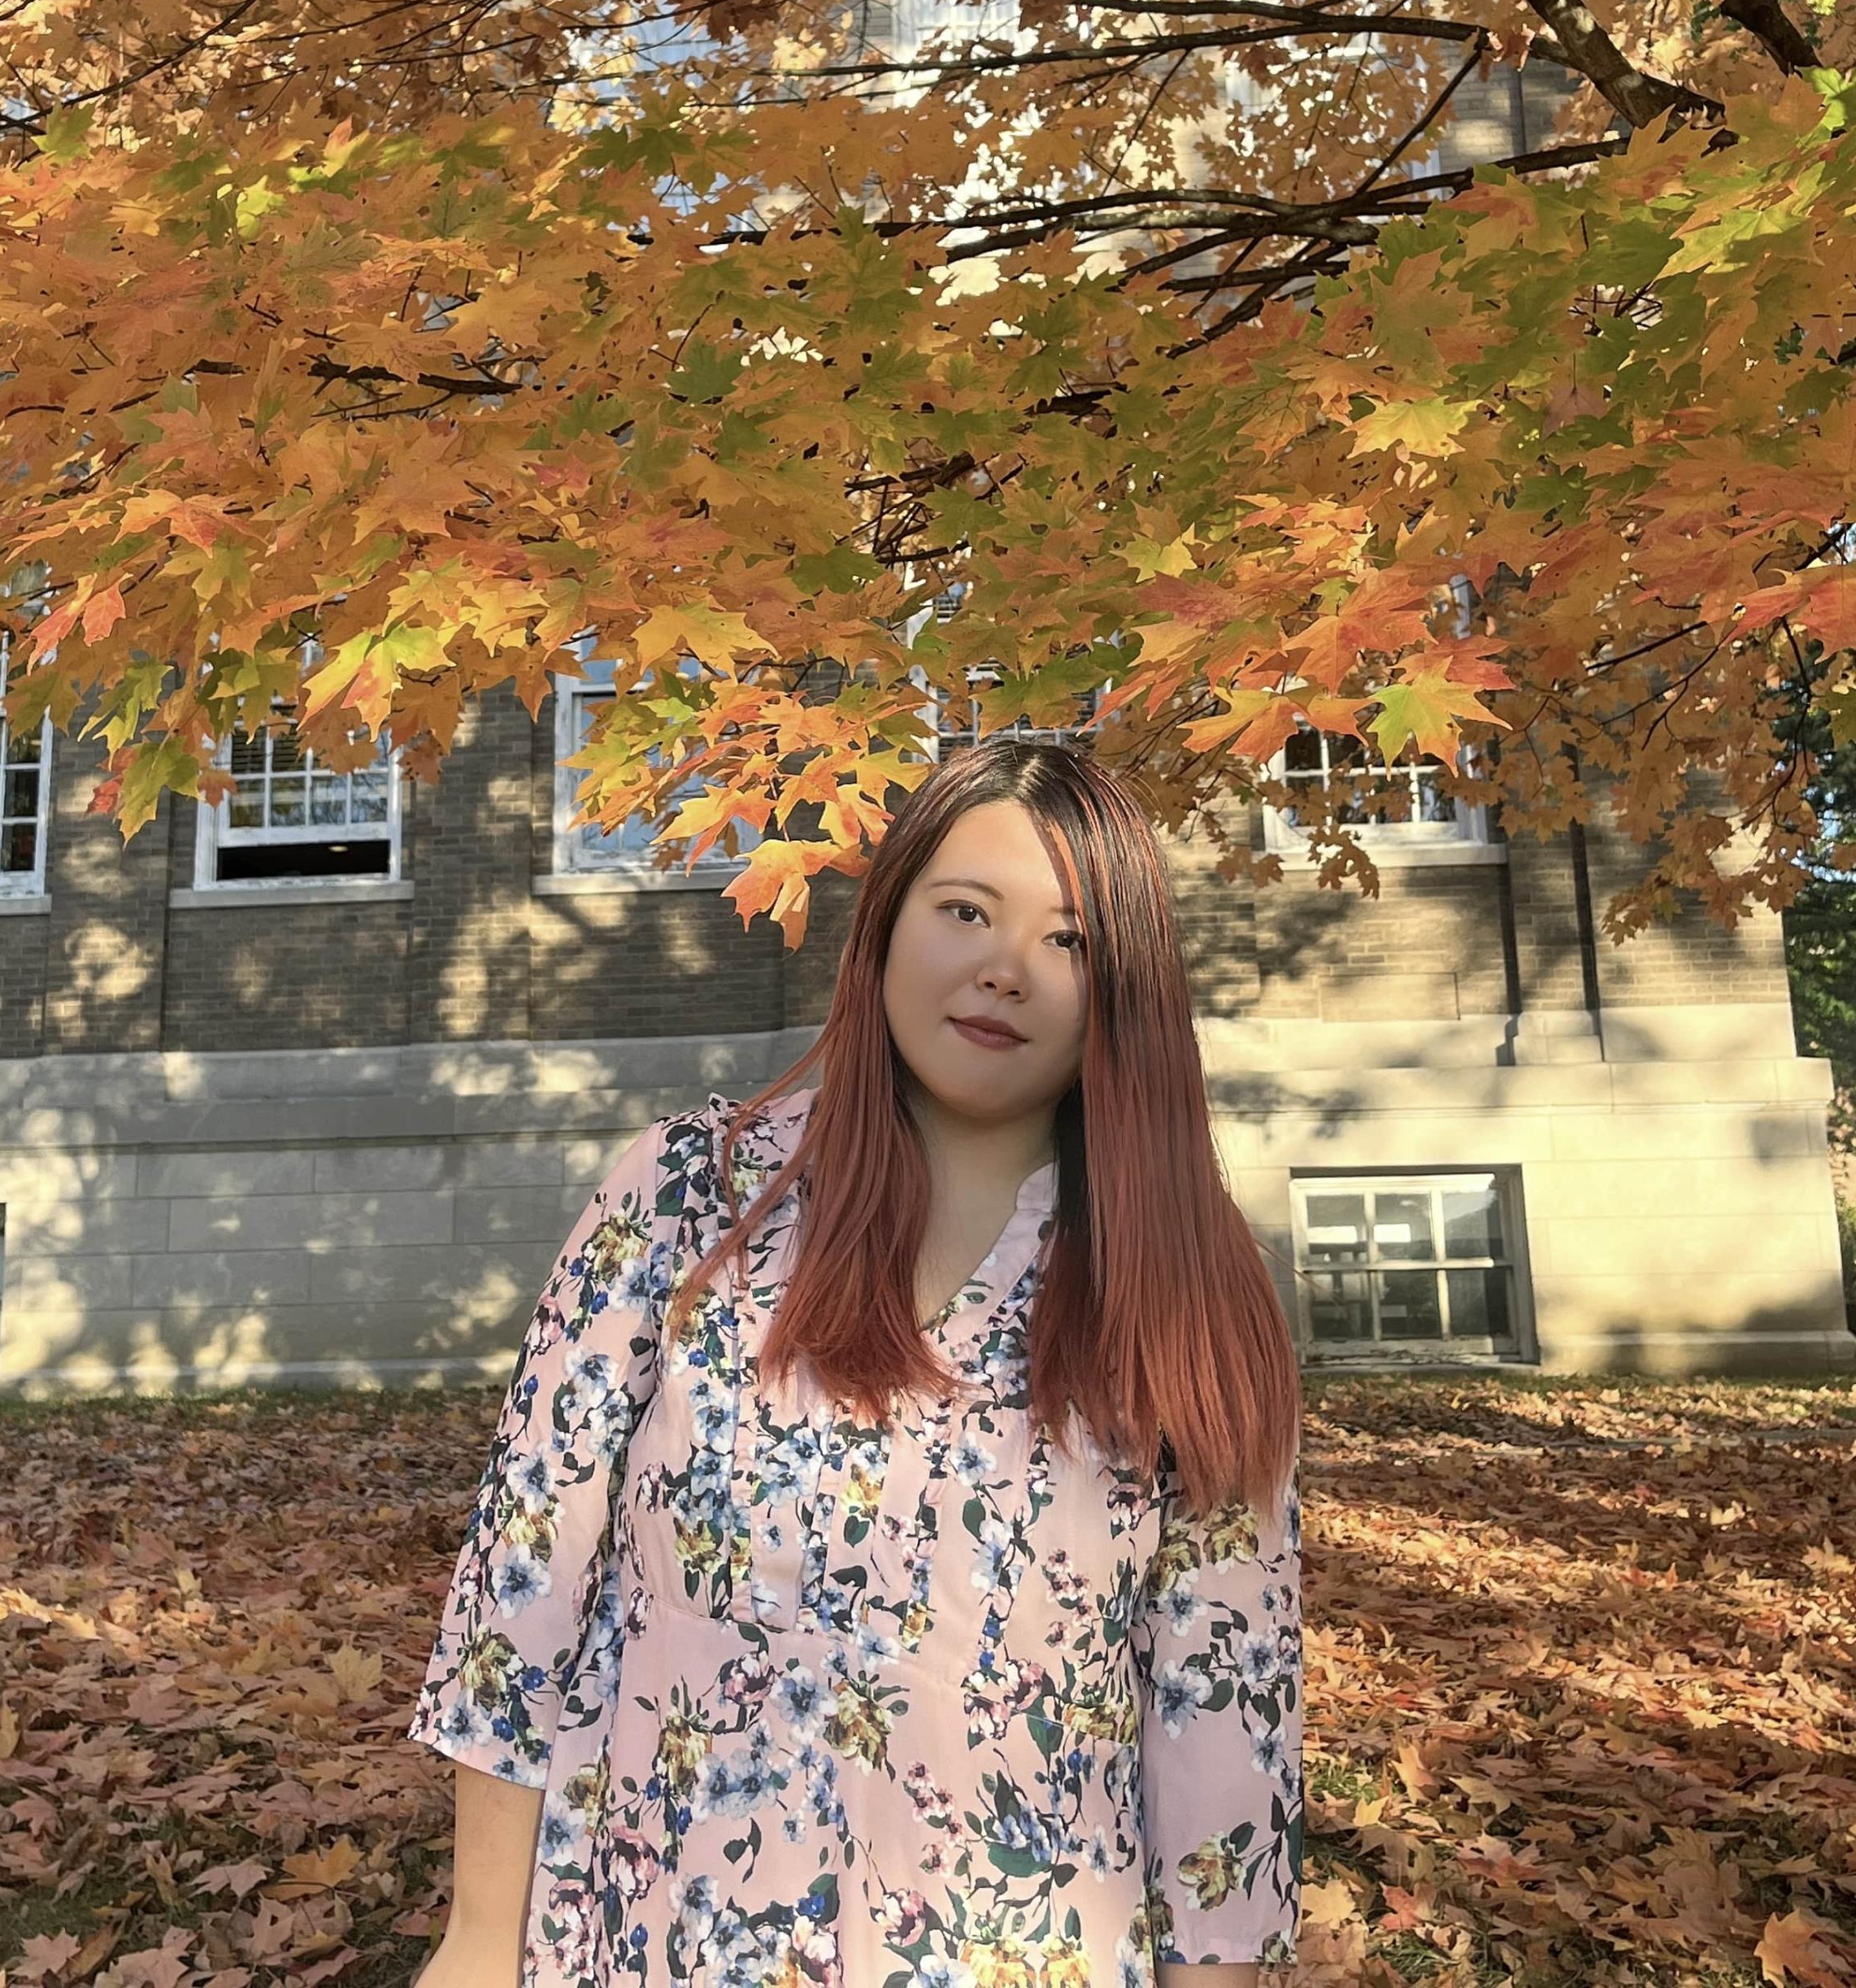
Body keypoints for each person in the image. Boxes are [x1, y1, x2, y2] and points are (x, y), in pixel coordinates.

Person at [405, 736, 1306, 1988]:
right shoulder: (687, 1200)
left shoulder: (1187, 1290)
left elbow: (1226, 1710)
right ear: (884, 929)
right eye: (966, 912)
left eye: (1070, 942)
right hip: (655, 1940)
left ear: (1123, 990)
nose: (1005, 969)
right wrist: (475, 1941)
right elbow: (523, 1580)